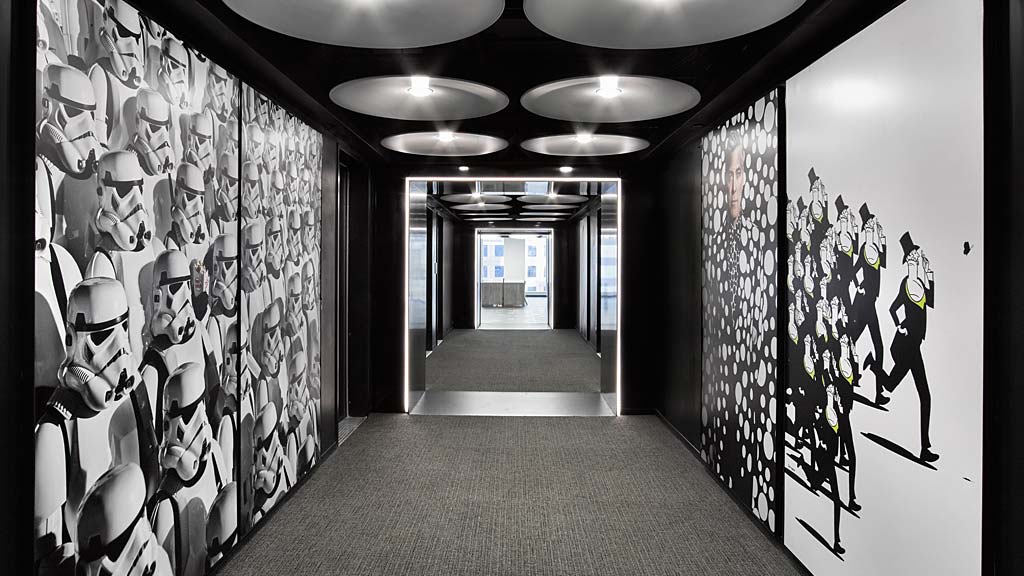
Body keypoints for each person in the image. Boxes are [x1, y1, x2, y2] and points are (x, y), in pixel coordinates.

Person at [868, 232, 938, 463]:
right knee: (921, 394)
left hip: (913, 345)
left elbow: (932, 302)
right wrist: (900, 326)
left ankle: (925, 448)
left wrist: (928, 272)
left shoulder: (918, 283)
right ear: (909, 262)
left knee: (906, 390)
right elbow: (892, 308)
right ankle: (924, 448)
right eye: (914, 258)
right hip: (906, 346)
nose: (918, 259)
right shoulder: (907, 284)